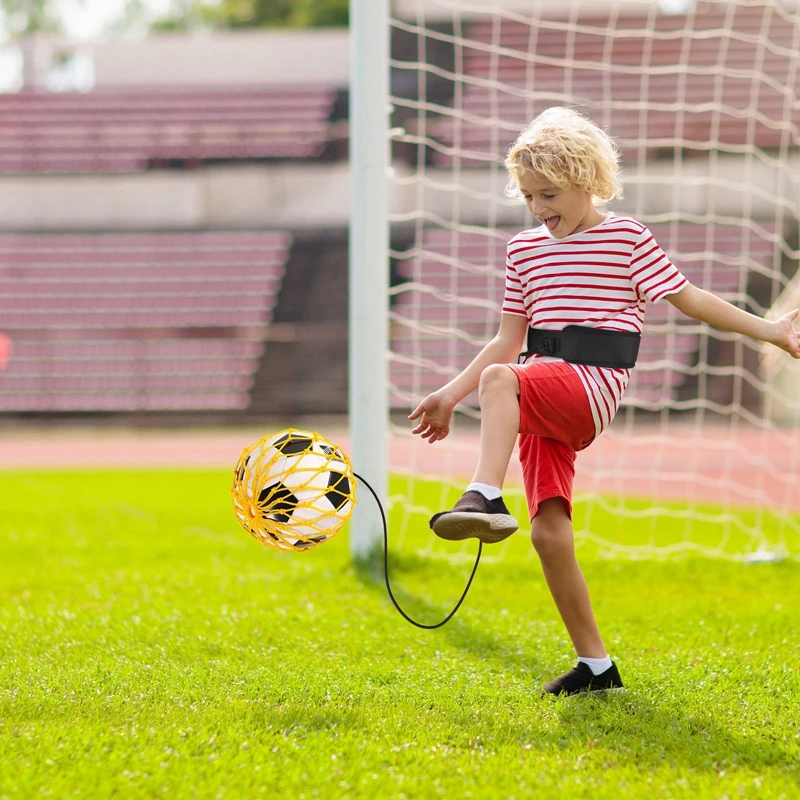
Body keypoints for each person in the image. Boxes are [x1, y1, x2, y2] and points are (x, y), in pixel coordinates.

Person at [408, 107, 800, 696]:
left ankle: (484, 495)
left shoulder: (627, 237)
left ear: (588, 179)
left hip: (590, 386)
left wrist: (771, 330)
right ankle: (597, 668)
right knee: (546, 532)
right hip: (538, 389)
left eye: (550, 194)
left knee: (500, 380)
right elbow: (507, 340)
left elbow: (690, 300)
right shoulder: (522, 250)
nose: (540, 208)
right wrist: (446, 393)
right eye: (530, 197)